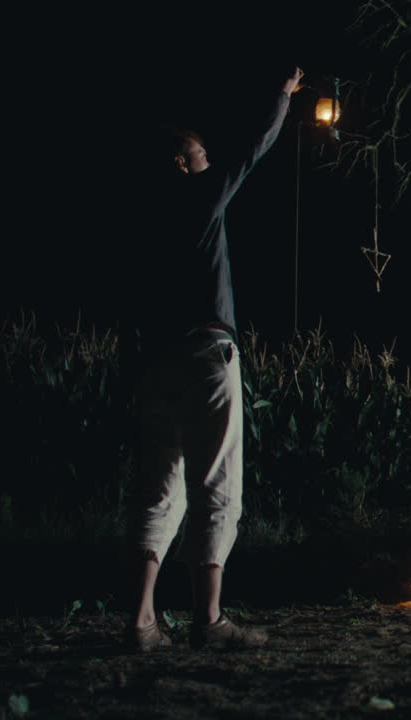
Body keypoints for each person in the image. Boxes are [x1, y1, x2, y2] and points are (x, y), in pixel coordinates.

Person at [120, 65, 304, 652]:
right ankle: (209, 619)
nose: (208, 159)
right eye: (200, 153)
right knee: (217, 484)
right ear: (182, 162)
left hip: (155, 362)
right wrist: (282, 97)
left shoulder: (143, 222)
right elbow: (251, 153)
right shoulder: (197, 200)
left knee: (159, 489)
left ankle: (143, 621)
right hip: (204, 353)